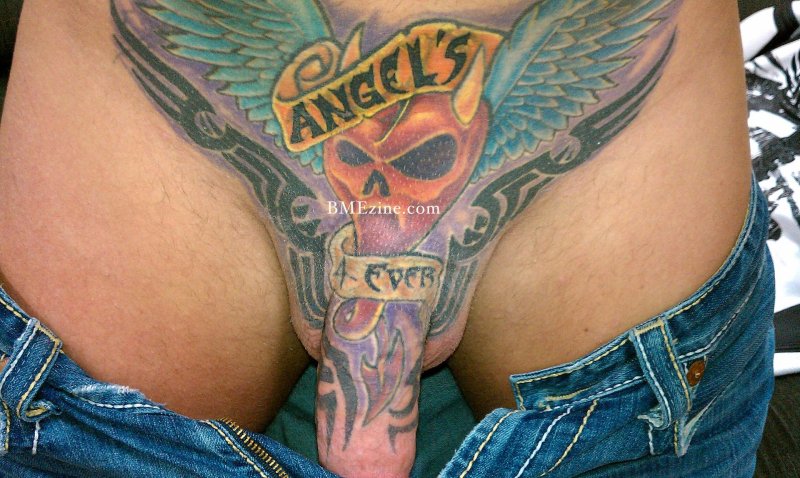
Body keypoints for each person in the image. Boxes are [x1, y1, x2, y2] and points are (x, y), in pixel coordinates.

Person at [0, 0, 773, 476]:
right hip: (128, 229)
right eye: (358, 161)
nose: (376, 188)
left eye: (420, 157)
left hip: (619, 257)